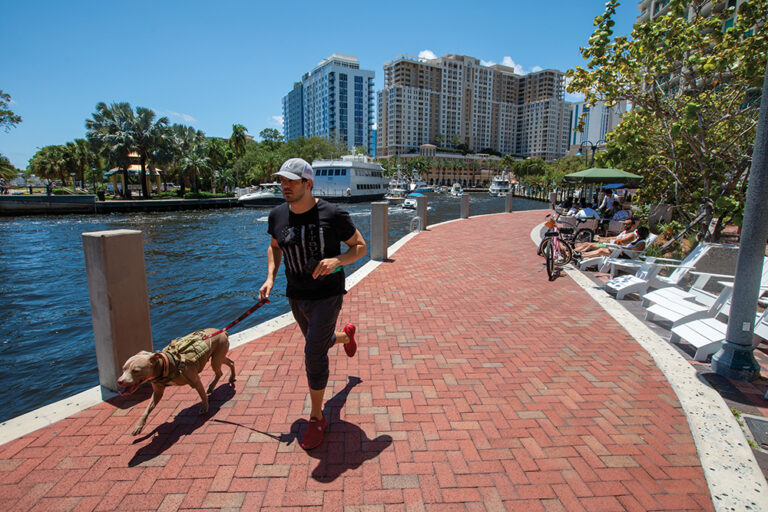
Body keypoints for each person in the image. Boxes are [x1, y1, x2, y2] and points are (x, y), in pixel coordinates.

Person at [258, 157, 367, 450]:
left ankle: (317, 417)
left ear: (308, 183)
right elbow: (274, 247)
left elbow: (360, 247)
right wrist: (270, 278)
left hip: (327, 295)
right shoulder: (277, 215)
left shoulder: (333, 214)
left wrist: (337, 260)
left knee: (313, 354)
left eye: (291, 181)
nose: (284, 186)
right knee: (318, 344)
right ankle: (346, 336)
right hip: (296, 295)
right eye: (282, 181)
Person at [577, 226, 650, 261]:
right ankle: (581, 254)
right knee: (600, 249)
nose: (624, 225)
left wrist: (623, 248)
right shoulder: (635, 239)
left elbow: (634, 250)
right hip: (621, 252)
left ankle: (581, 255)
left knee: (601, 250)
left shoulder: (640, 242)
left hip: (624, 256)